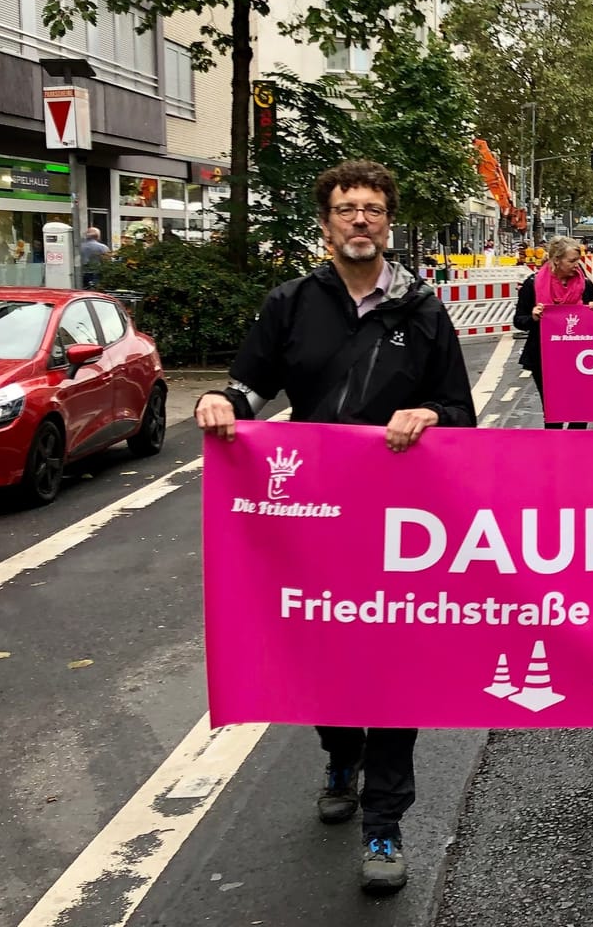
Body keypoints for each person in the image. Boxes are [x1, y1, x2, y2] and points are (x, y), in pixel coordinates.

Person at [193, 159, 474, 894]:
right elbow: (249, 384)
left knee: (394, 674)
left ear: (388, 222)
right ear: (325, 224)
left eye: (373, 209)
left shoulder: (423, 310)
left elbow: (463, 415)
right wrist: (223, 405)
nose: (360, 219)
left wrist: (432, 415)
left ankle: (384, 824)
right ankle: (340, 754)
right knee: (325, 666)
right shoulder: (290, 304)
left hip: (401, 532)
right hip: (313, 527)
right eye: (346, 208)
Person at [515, 236, 593, 429]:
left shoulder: (585, 285)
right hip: (544, 357)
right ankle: (555, 451)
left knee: (580, 410)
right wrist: (533, 317)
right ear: (556, 260)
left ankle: (575, 450)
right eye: (571, 261)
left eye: (578, 260)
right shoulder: (532, 284)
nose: (576, 265)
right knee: (554, 412)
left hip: (578, 356)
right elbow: (518, 321)